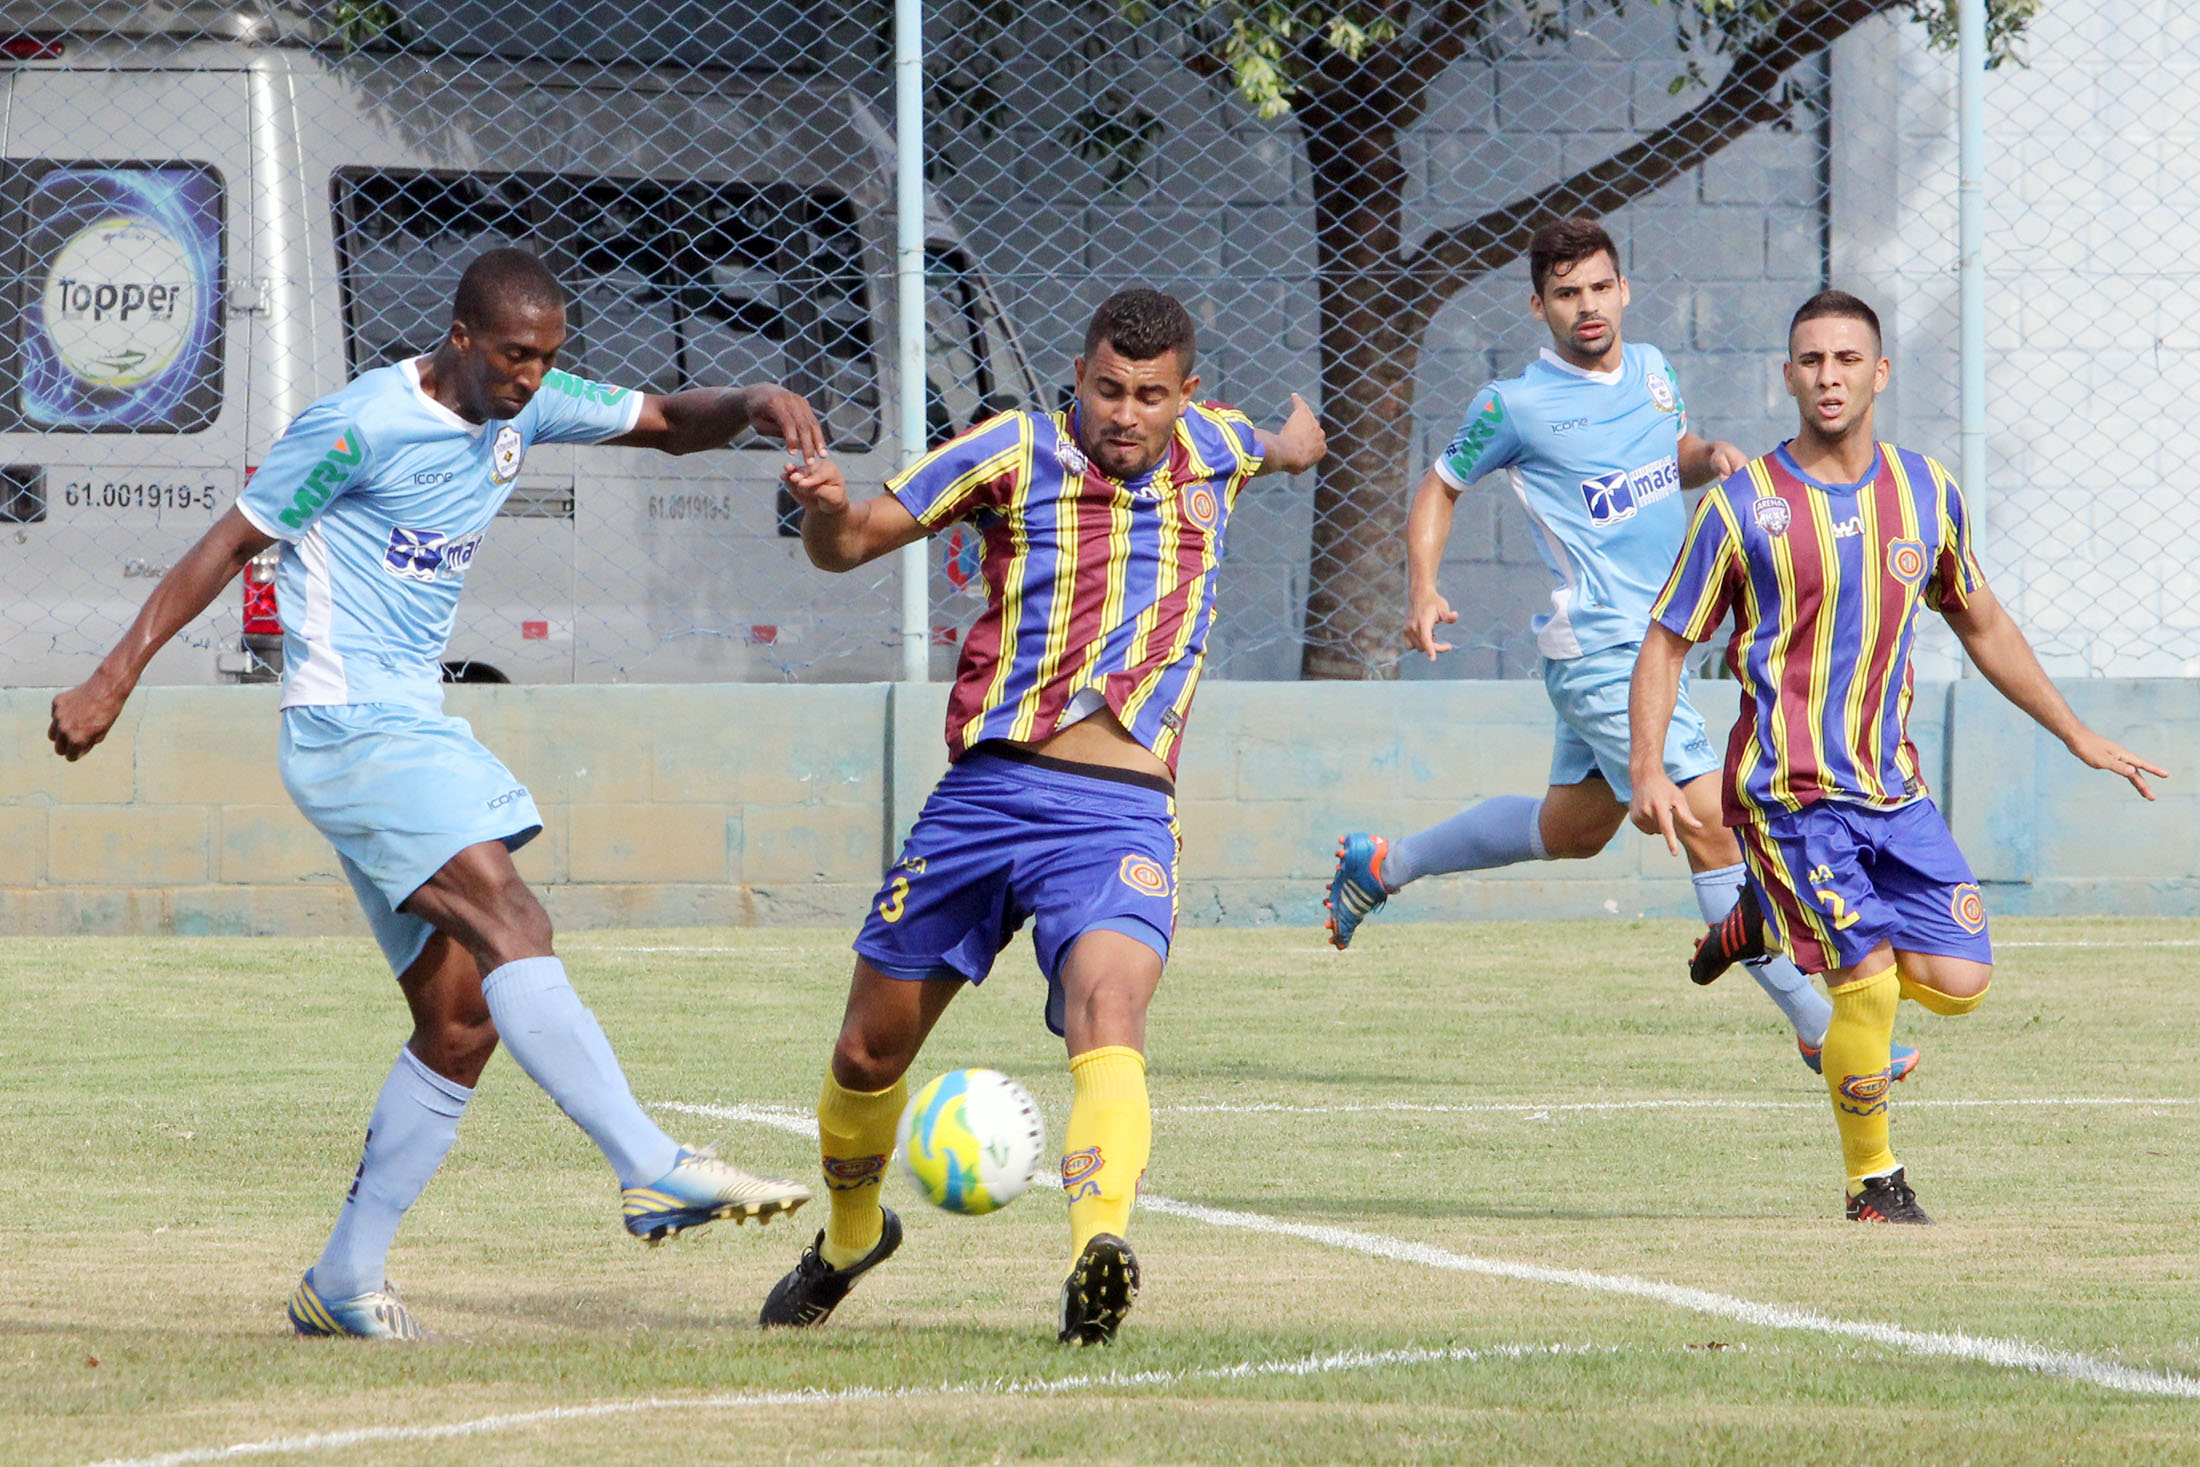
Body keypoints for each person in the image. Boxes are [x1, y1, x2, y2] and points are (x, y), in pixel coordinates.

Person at [49, 247, 827, 1336]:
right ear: (462, 336)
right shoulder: (357, 424)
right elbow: (230, 542)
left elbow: (662, 419)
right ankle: (649, 1167)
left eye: (548, 358)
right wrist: (113, 674)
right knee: (516, 920)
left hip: (405, 723)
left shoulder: (529, 405)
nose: (531, 377)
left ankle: (343, 1281)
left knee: (460, 1021)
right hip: (348, 724)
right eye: (515, 356)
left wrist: (750, 398)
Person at [758, 286, 1324, 1344]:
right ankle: (847, 1238)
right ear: (1078, 378)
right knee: (868, 1053)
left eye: (1149, 396)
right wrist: (828, 510)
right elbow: (852, 542)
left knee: (1113, 1012)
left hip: (1119, 816)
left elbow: (1283, 444)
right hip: (983, 798)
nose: (1125, 413)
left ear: (1184, 396)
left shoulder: (1217, 448)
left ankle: (1094, 1253)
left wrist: (1299, 438)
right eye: (1107, 389)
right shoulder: (1010, 451)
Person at [1323, 217, 1913, 1082]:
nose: (1587, 306)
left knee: (1572, 831)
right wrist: (1422, 586)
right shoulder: (1512, 406)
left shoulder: (1652, 371)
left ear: (1624, 289)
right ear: (1539, 305)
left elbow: (1656, 459)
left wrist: (1705, 455)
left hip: (1656, 640)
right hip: (1601, 643)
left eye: (1600, 287)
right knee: (1709, 815)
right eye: (1566, 293)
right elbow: (1438, 487)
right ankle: (1818, 1025)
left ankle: (1387, 861)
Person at [1629, 289, 2164, 1222]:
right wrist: (1645, 766)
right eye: (1810, 360)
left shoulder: (1926, 492)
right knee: (1868, 986)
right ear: (1786, 373)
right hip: (1785, 794)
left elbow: (1981, 619)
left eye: (1846, 359)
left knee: (1961, 987)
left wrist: (2075, 731)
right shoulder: (1742, 505)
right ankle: (1873, 1181)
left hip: (1892, 789)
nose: (1827, 376)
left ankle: (1765, 919)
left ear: (1880, 373)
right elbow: (1666, 641)